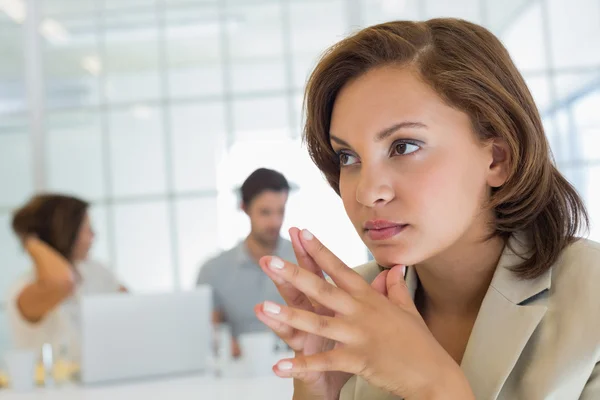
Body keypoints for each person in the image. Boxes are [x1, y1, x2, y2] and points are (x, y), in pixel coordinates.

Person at [253, 18, 600, 400]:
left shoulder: (591, 295)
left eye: (403, 147)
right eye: (348, 156)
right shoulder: (350, 309)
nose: (368, 192)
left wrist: (432, 386)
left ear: (498, 158)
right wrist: (316, 391)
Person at [6, 194, 126, 362]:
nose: (94, 235)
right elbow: (62, 282)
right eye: (87, 228)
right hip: (52, 387)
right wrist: (31, 241)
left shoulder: (96, 271)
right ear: (66, 233)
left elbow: (133, 309)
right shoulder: (24, 289)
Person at [197, 168, 296, 358]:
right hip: (238, 373)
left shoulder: (304, 262)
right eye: (265, 212)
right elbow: (207, 334)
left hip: (297, 366)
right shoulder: (213, 271)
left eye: (281, 211)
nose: (275, 222)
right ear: (244, 208)